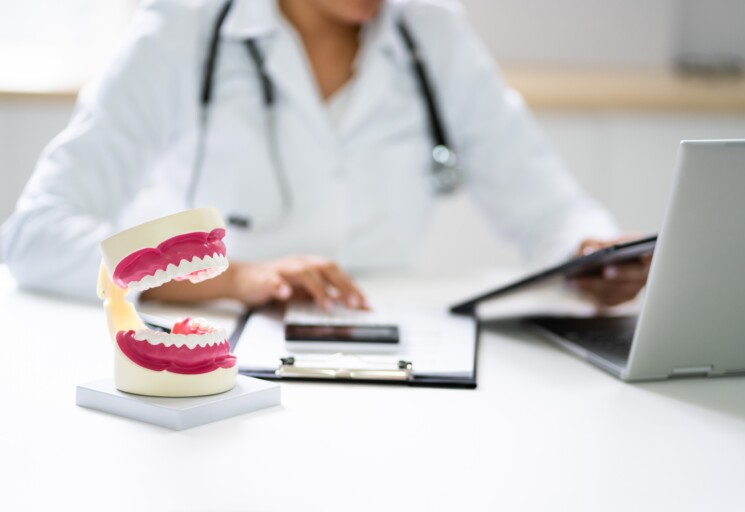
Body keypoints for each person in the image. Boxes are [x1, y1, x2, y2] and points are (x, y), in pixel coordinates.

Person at [1, 0, 650, 310]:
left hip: (393, 345)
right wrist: (232, 276)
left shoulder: (433, 33)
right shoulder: (185, 29)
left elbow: (544, 202)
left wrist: (589, 252)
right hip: (218, 349)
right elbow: (38, 234)